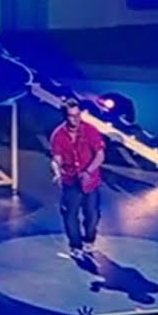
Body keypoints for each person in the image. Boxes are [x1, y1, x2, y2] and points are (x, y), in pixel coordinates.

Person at [50, 99, 106, 258]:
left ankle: (89, 239)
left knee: (92, 215)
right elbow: (56, 159)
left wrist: (88, 172)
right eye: (71, 116)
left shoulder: (90, 130)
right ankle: (75, 245)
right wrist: (57, 172)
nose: (75, 119)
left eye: (77, 115)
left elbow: (100, 155)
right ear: (65, 116)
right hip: (70, 180)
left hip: (90, 180)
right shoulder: (58, 135)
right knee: (70, 215)